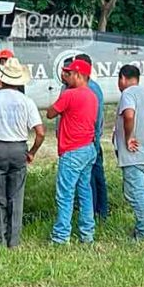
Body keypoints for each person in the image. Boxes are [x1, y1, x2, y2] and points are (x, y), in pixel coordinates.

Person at [0, 57, 45, 248]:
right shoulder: (26, 101)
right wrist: (32, 152)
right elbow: (40, 132)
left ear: (1, 79)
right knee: (16, 195)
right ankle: (14, 241)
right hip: (19, 148)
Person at [46, 58, 98, 244]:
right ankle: (87, 234)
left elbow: (50, 113)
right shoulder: (92, 95)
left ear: (78, 75)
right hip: (88, 148)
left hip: (72, 150)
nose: (66, 77)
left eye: (69, 73)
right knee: (85, 192)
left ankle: (61, 237)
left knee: (65, 194)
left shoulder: (70, 94)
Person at [114, 64, 144, 241]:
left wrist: (129, 137)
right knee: (140, 192)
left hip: (133, 156)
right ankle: (142, 228)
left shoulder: (128, 94)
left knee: (135, 194)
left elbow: (129, 115)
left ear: (123, 78)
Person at [72, 53, 108, 221]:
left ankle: (90, 213)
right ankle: (102, 211)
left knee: (87, 179)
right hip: (95, 138)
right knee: (98, 176)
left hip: (85, 140)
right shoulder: (97, 88)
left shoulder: (83, 90)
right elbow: (100, 117)